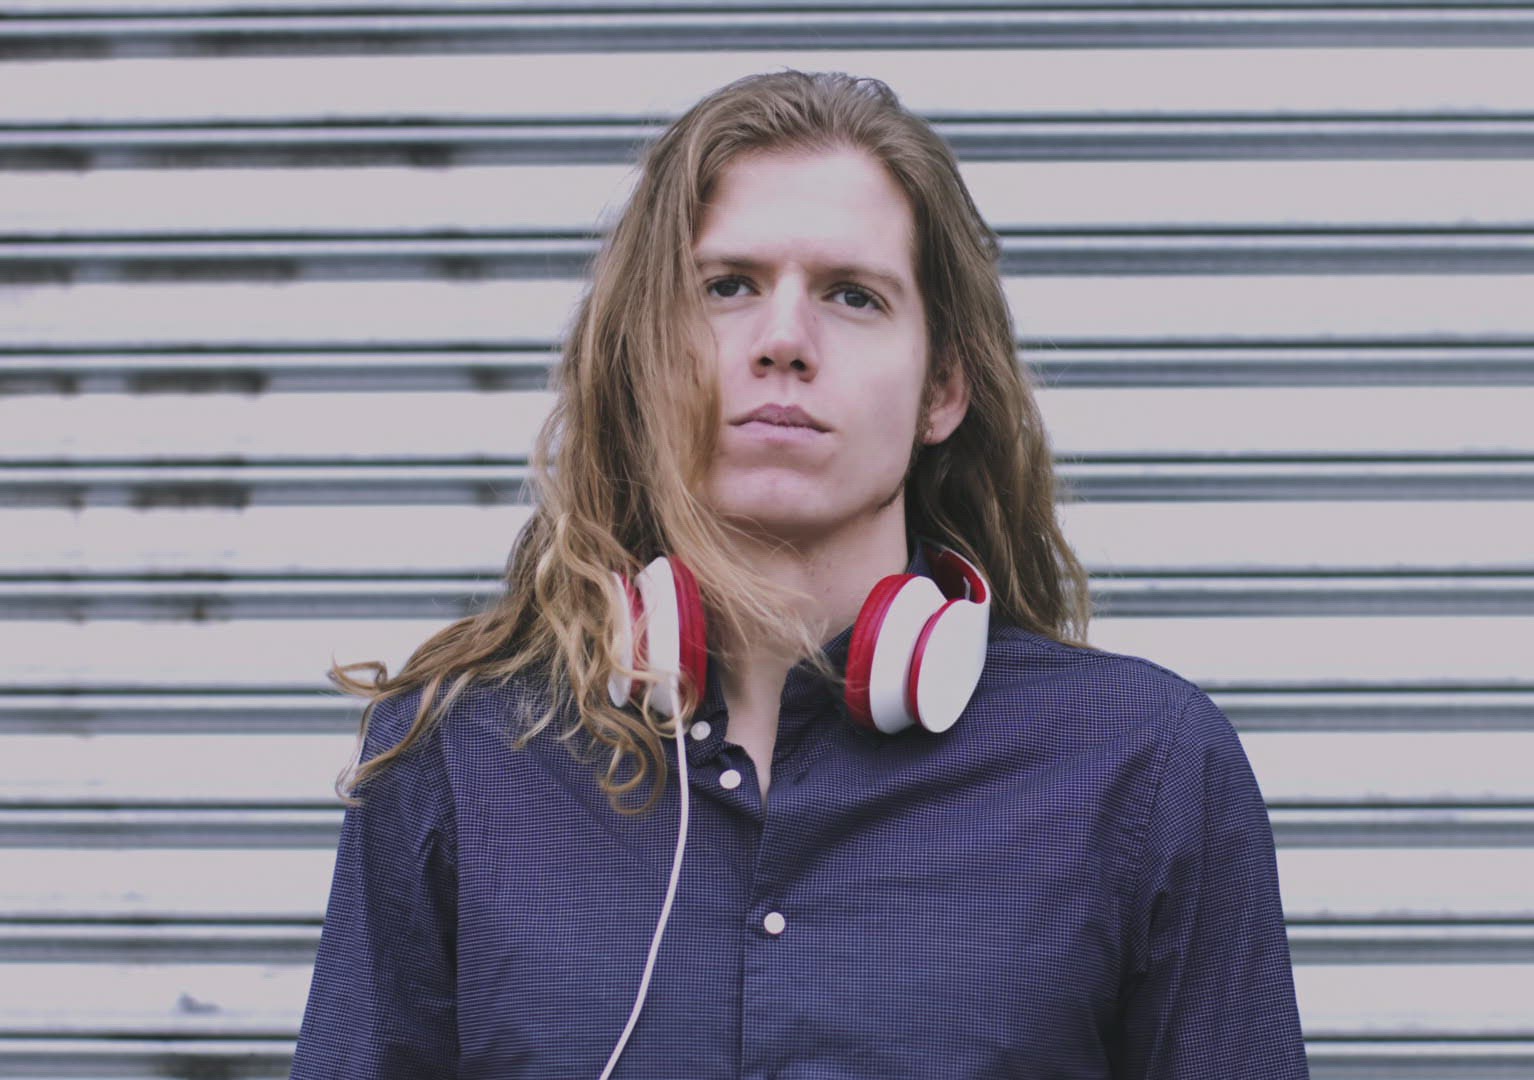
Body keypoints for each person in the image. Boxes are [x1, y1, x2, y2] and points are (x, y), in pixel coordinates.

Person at [290, 69, 1310, 1079]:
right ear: (646, 355)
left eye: (853, 296)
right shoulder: (461, 754)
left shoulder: (1143, 767)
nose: (783, 340)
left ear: (943, 388)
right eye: (727, 286)